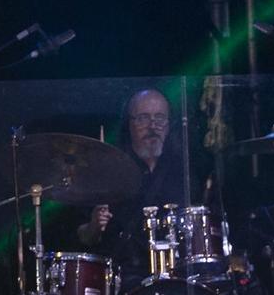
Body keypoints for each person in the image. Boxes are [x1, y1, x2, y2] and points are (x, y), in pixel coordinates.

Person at [76, 88, 190, 274]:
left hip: (177, 279)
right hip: (124, 281)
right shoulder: (108, 171)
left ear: (169, 126)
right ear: (129, 125)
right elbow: (84, 237)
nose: (152, 127)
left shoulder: (184, 170)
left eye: (159, 118)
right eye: (143, 118)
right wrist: (94, 226)